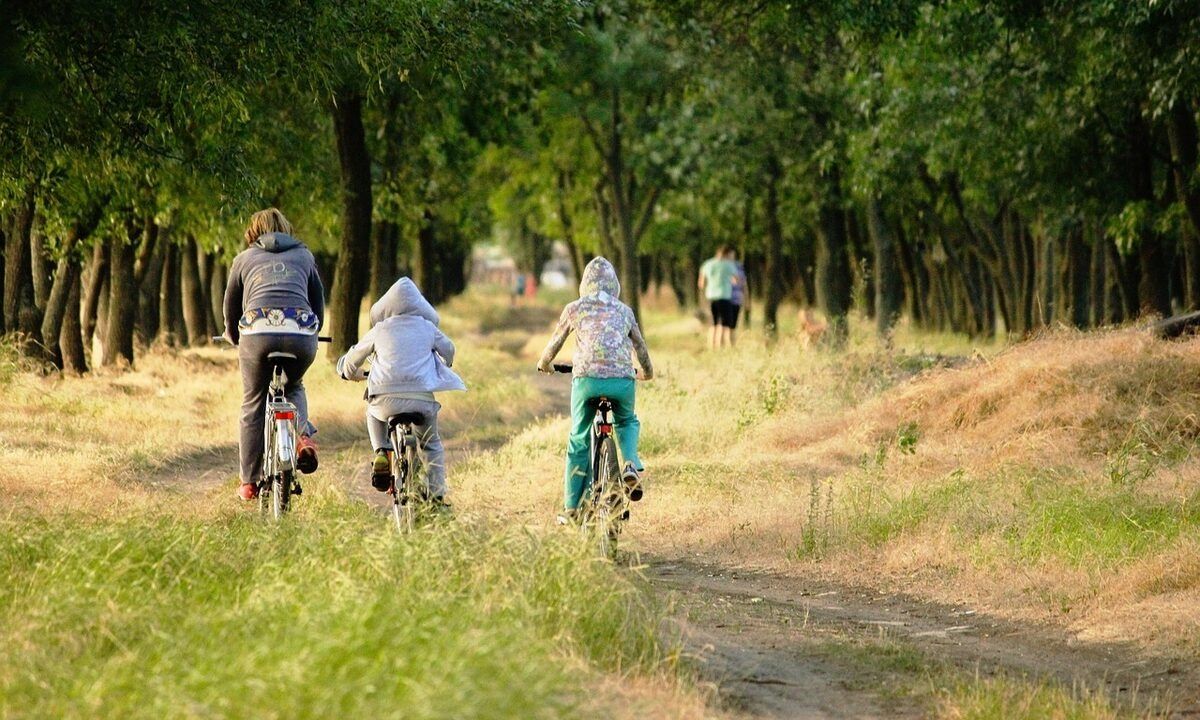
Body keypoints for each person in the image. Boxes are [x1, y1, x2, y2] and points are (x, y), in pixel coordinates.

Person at [537, 257, 654, 522]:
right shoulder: (625, 311)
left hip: (587, 381)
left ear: (584, 284)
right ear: (615, 285)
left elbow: (554, 344)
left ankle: (573, 508)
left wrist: (545, 364)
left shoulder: (574, 308)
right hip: (622, 380)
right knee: (626, 420)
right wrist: (647, 372)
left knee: (579, 437)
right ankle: (630, 465)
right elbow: (641, 348)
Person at [222, 208, 324, 501]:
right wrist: (314, 331)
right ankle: (303, 436)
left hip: (257, 333)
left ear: (254, 231)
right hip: (301, 333)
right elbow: (318, 302)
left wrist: (232, 335)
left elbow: (231, 307)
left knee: (253, 401)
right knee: (293, 385)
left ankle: (249, 481)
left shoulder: (243, 260)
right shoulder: (305, 256)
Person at [336, 277, 465, 505]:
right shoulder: (427, 327)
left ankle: (381, 452)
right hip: (421, 399)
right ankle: (436, 494)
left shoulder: (380, 329)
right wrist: (446, 362)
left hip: (385, 399)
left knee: (373, 413)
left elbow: (353, 359)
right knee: (431, 444)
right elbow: (449, 350)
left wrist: (347, 372)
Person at [698, 245, 739, 349]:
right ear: (726, 254)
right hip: (724, 296)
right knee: (724, 324)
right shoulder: (729, 265)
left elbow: (701, 284)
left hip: (711, 297)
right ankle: (721, 347)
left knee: (713, 324)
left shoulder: (707, 264)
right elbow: (736, 281)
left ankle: (711, 347)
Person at [727, 248, 749, 345]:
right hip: (725, 299)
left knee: (733, 325)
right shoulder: (722, 267)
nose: (731, 257)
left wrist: (746, 299)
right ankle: (725, 345)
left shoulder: (739, 267)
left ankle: (732, 345)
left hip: (736, 299)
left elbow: (744, 284)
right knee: (725, 325)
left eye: (732, 255)